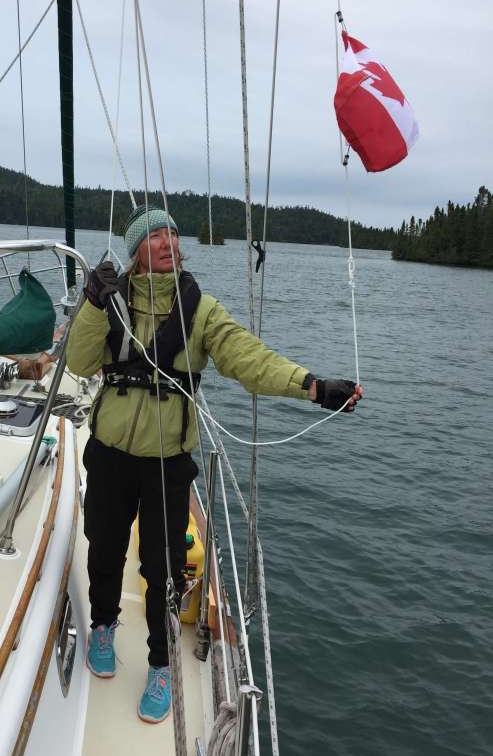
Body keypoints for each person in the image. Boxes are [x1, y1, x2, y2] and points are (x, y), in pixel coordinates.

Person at [66, 206, 363, 724]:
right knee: (105, 548)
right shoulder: (110, 302)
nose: (168, 242)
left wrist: (313, 386)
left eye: (173, 234)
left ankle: (161, 663)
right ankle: (105, 627)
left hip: (168, 462)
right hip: (110, 454)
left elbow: (248, 358)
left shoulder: (200, 310)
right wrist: (92, 305)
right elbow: (78, 363)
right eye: (155, 235)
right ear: (136, 250)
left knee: (164, 567)